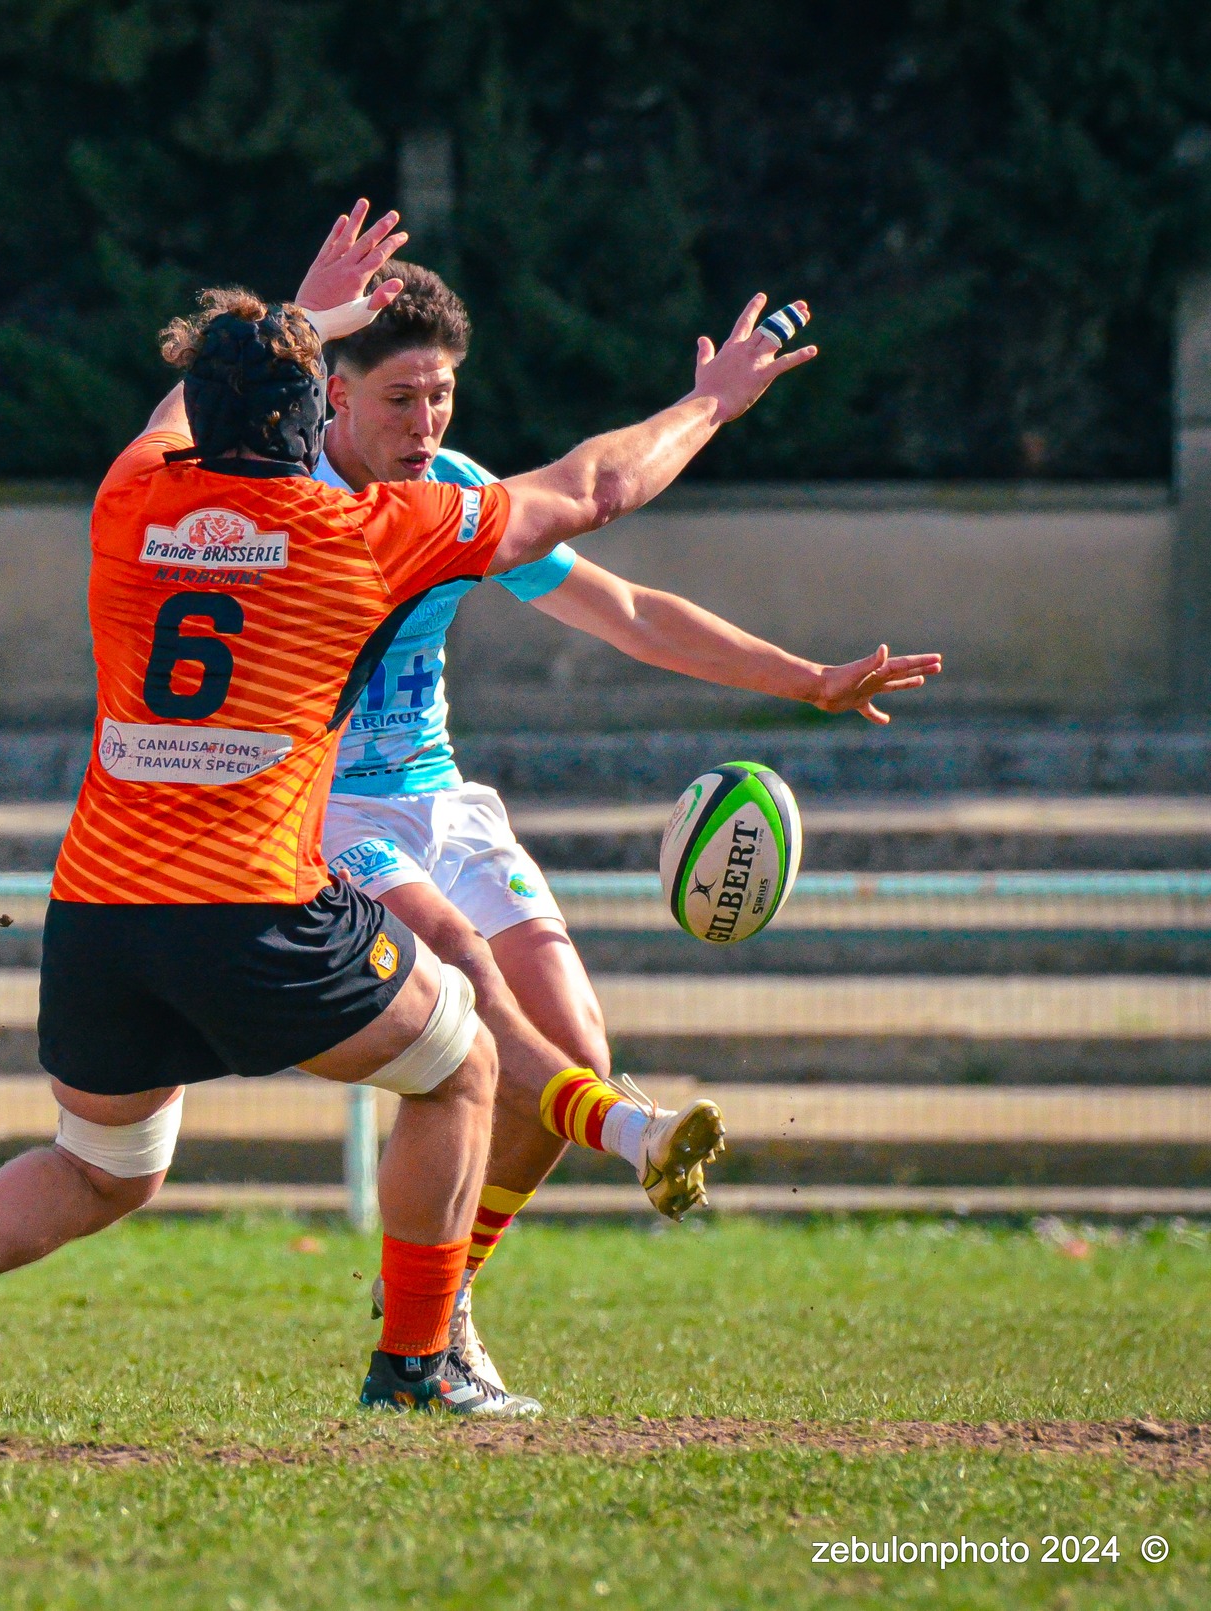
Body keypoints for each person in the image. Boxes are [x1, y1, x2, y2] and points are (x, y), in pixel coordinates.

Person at [0, 202, 810, 1420]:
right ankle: (413, 1362)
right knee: (459, 1065)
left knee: (97, 1168)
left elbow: (170, 410)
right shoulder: (363, 534)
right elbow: (594, 486)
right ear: (316, 420)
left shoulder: (128, 498)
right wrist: (709, 402)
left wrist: (295, 314)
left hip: (95, 912)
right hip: (249, 905)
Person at [313, 262, 942, 1399]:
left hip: (437, 799)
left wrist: (806, 681)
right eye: (399, 397)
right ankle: (631, 1138)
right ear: (332, 390)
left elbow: (633, 615)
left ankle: (440, 1298)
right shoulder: (284, 498)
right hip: (317, 809)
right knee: (468, 997)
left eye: (442, 393)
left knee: (567, 1043)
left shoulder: (459, 496)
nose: (426, 421)